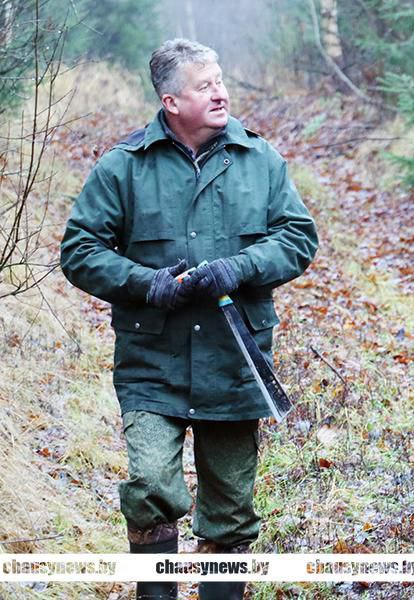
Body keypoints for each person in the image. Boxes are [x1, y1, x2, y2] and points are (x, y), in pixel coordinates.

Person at [60, 39, 318, 600]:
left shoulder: (261, 161)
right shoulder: (124, 167)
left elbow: (298, 238)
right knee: (150, 487)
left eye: (220, 80)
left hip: (236, 361)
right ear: (171, 101)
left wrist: (241, 267)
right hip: (152, 362)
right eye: (205, 86)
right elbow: (80, 250)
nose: (221, 93)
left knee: (230, 510)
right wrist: (145, 283)